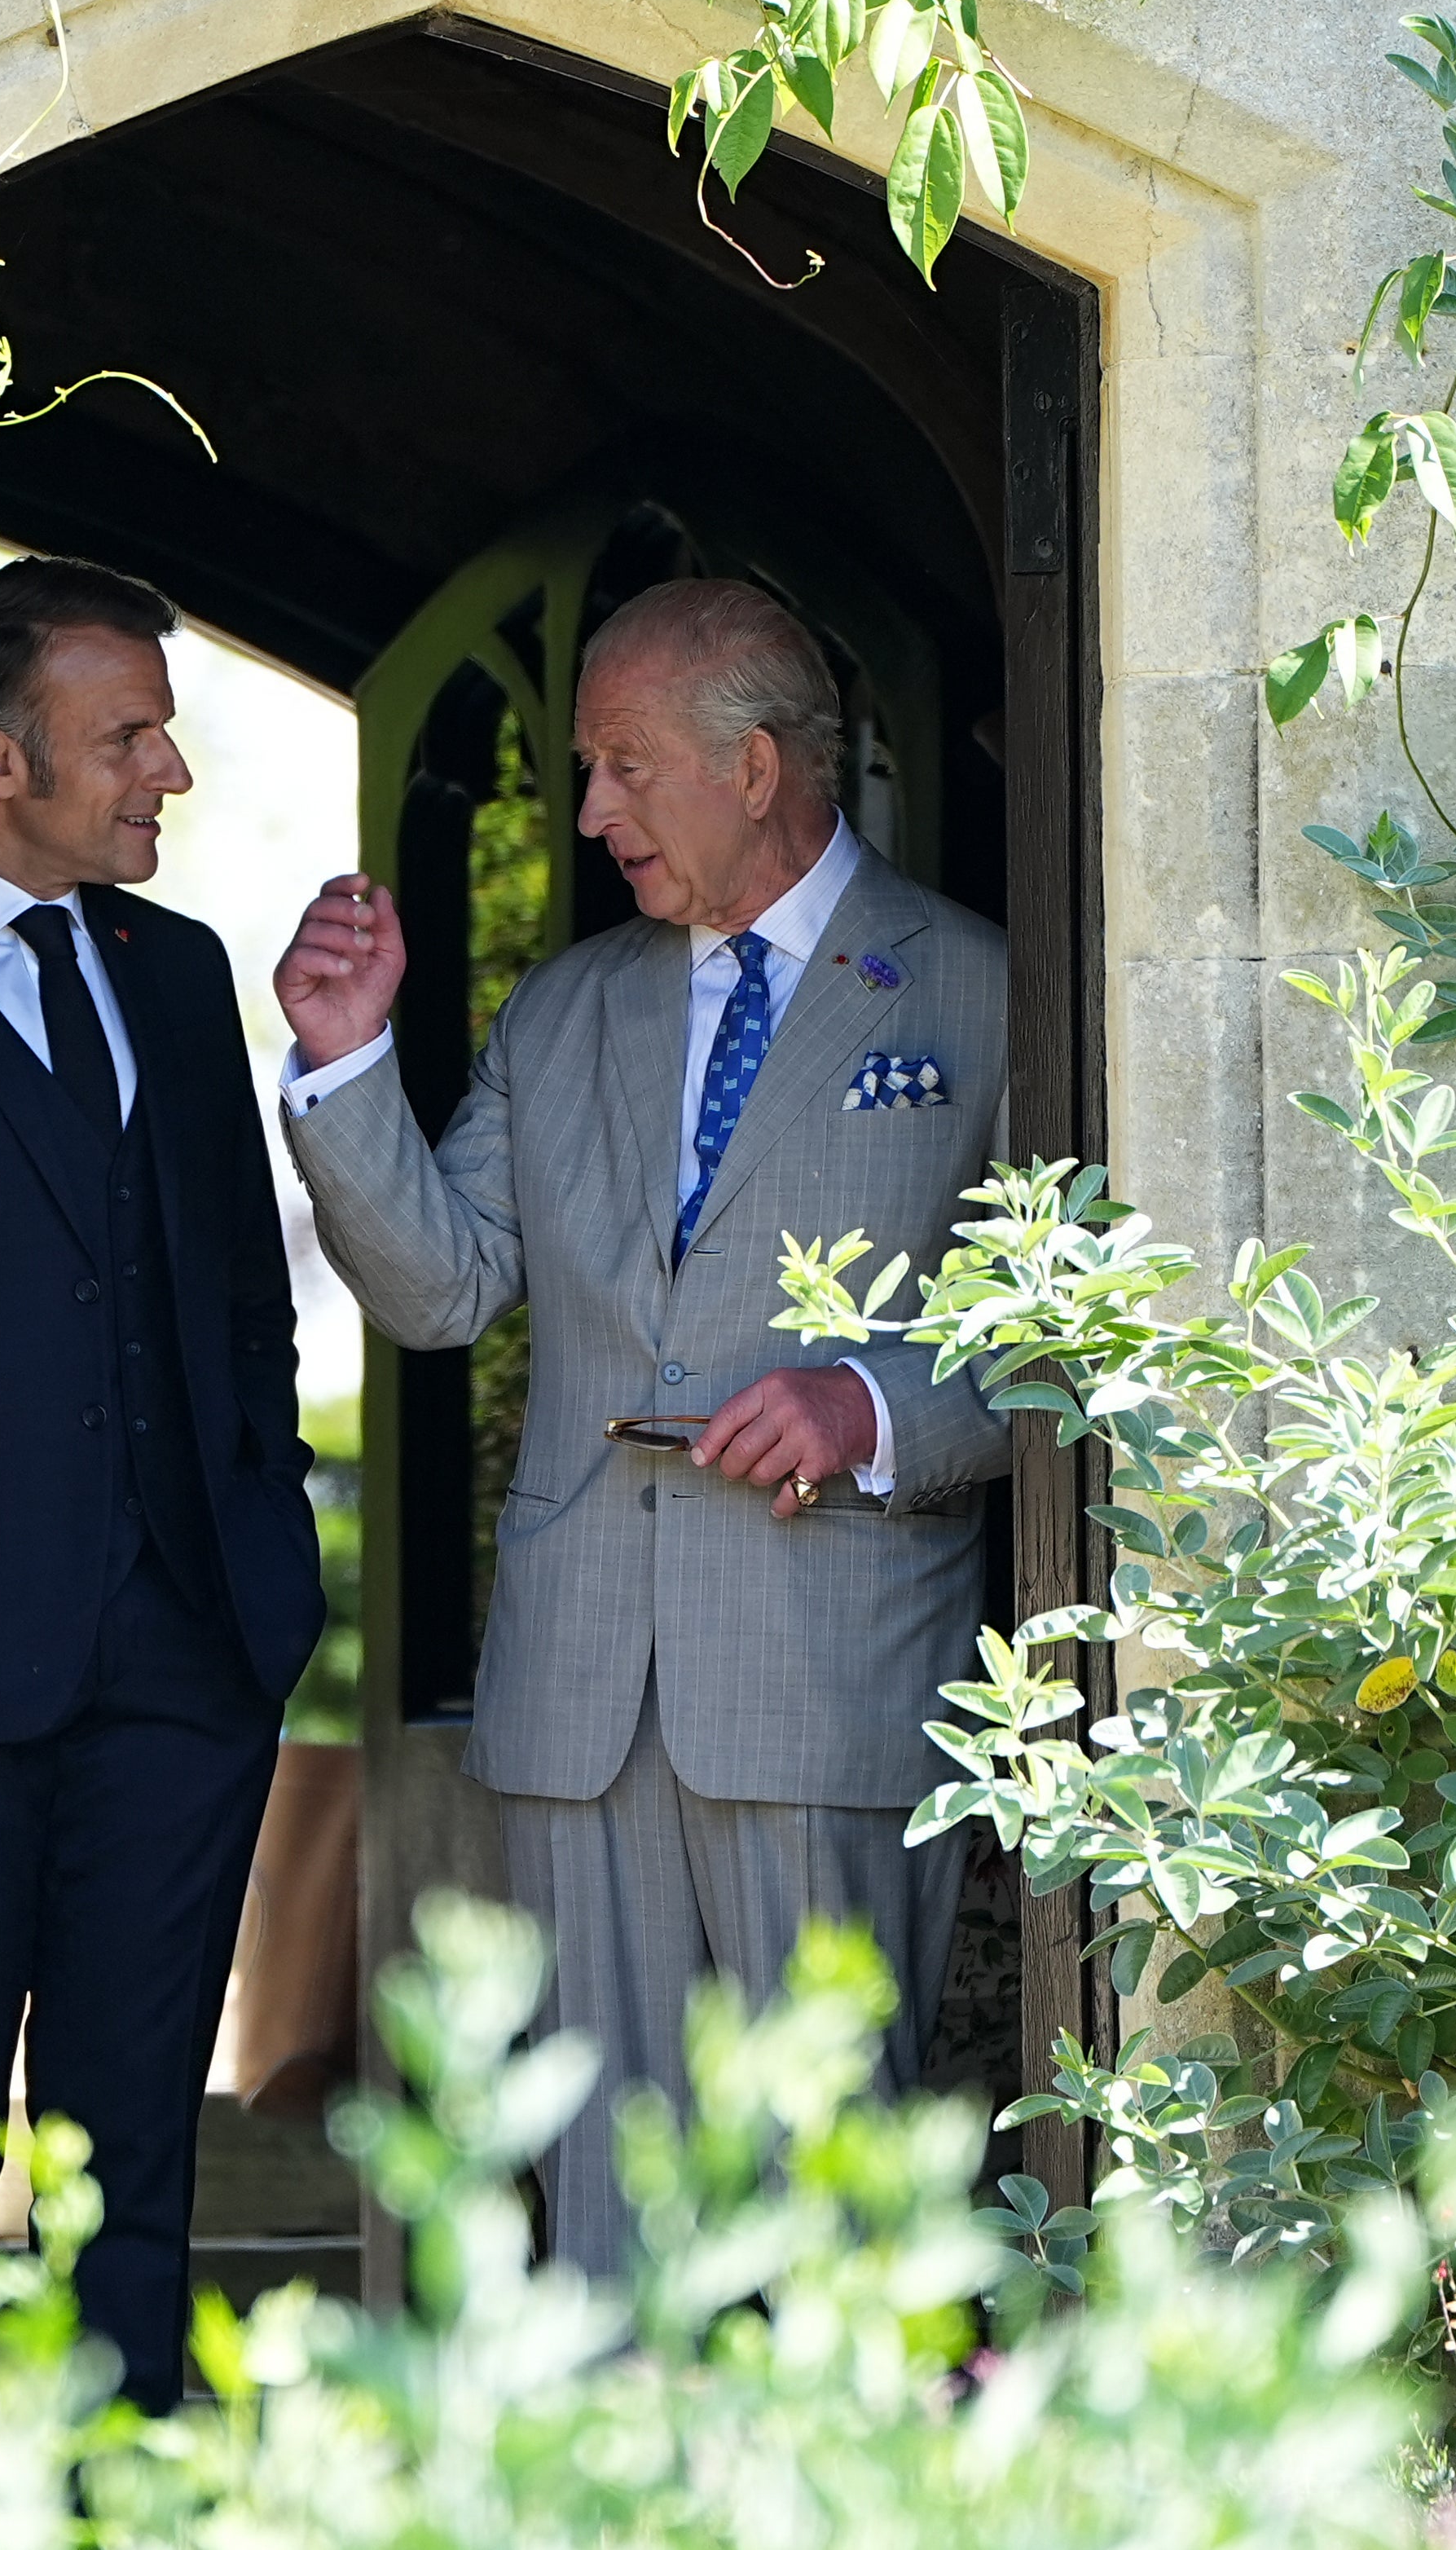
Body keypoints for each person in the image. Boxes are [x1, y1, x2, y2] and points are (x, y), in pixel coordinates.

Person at [266, 576, 1006, 2280]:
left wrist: (872, 1405)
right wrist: (340, 1068)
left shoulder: (977, 991)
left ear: (754, 766)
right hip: (579, 1690)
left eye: (618, 767)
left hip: (830, 1679)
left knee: (832, 2191)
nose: (586, 809)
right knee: (598, 2194)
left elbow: (1075, 1347)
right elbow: (444, 1288)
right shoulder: (562, 1010)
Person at [0, 555, 323, 2411]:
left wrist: (268, 1574)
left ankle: (128, 2498)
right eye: (127, 735)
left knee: (136, 2168)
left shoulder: (177, 977)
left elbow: (237, 1309)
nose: (166, 770)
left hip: (184, 1665)